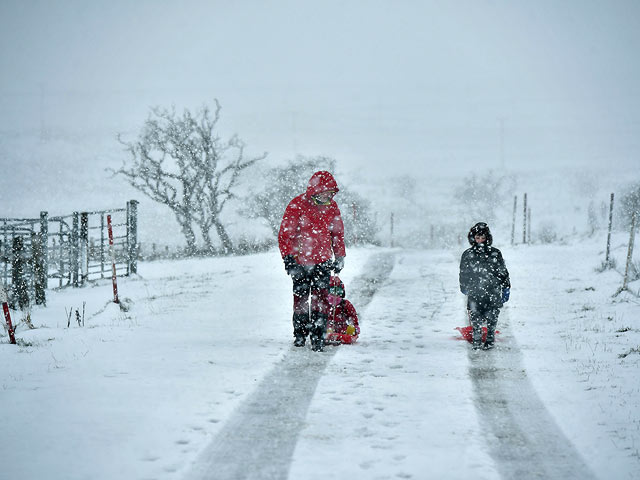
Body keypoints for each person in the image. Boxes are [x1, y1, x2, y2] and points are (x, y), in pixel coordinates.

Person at [278, 171, 346, 352]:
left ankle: (318, 336)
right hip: (299, 262)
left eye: (331, 193)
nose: (329, 196)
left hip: (322, 262)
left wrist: (339, 256)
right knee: (301, 299)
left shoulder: (332, 208)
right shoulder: (297, 205)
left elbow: (337, 234)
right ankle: (300, 334)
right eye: (326, 192)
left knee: (321, 300)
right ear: (315, 190)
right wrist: (288, 259)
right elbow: (286, 234)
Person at [459, 222, 511, 350]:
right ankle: (476, 340)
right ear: (473, 238)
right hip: (475, 292)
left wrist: (506, 288)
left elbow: (502, 272)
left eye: (483, 238)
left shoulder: (495, 253)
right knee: (475, 318)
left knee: (492, 317)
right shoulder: (468, 254)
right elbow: (463, 273)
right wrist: (463, 286)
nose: (480, 240)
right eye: (478, 238)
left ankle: (489, 339)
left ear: (488, 238)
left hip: (492, 291)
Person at [325, 275, 360, 344]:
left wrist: (355, 328)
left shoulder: (345, 304)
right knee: (327, 331)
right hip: (327, 328)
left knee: (350, 329)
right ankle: (328, 335)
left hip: (342, 329)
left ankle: (336, 336)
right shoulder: (324, 304)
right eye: (333, 291)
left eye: (338, 291)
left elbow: (353, 317)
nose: (335, 294)